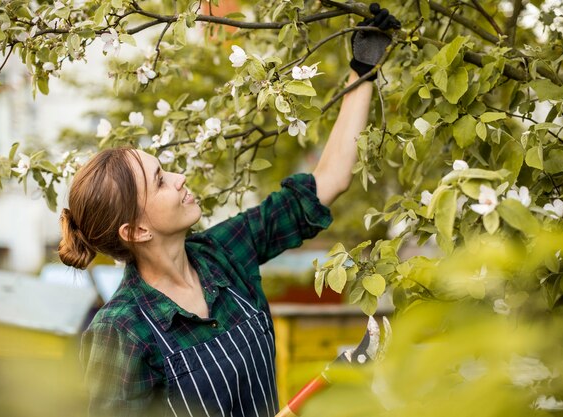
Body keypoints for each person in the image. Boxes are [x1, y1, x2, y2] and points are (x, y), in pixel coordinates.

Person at [59, 5, 400, 417]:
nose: (180, 177)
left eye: (166, 170)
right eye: (161, 181)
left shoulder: (223, 256)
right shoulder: (121, 330)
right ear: (136, 231)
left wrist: (363, 68)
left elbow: (326, 184)